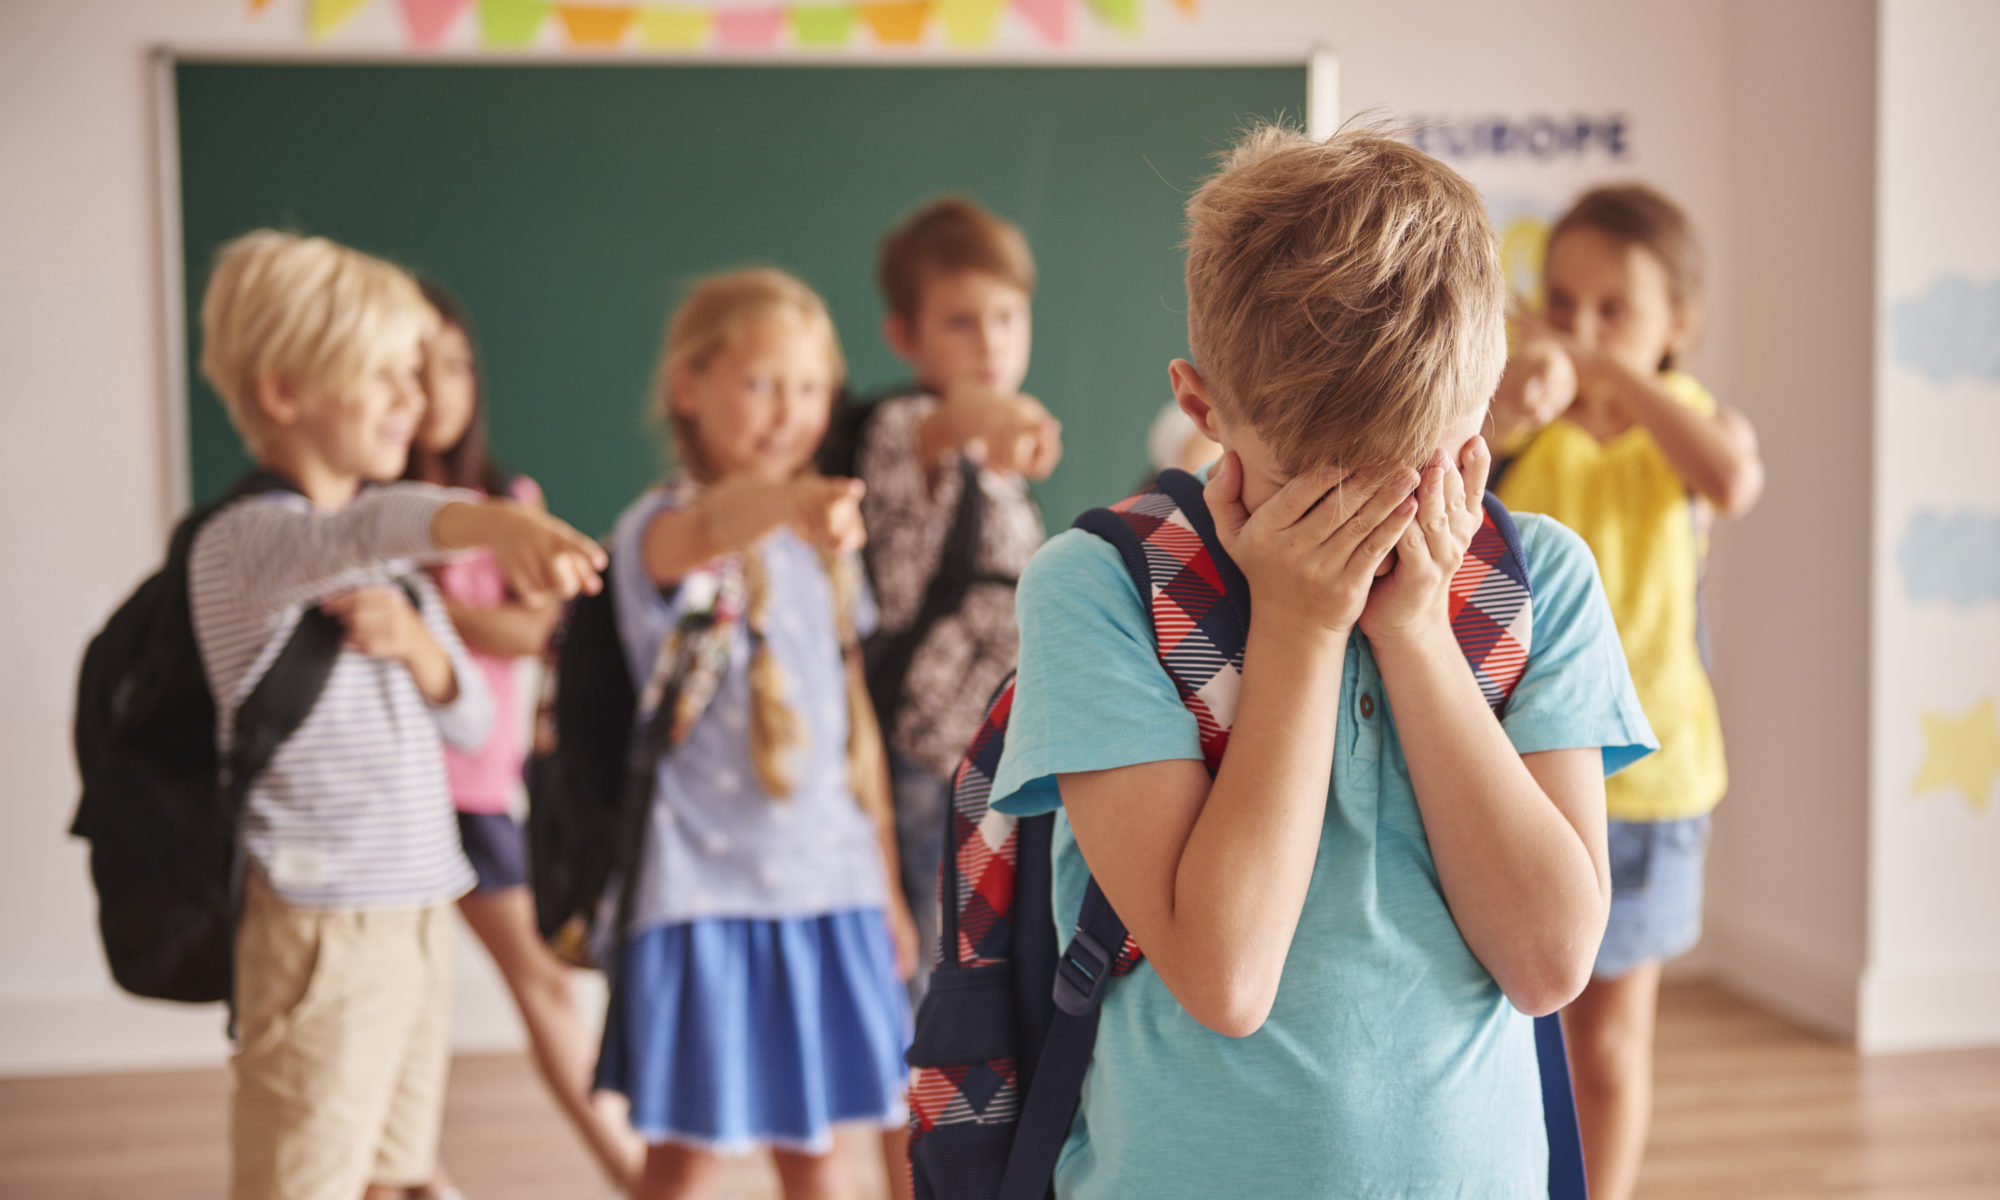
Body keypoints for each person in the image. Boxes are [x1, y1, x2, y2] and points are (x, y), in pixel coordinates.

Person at [981, 125, 1658, 1197]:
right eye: (1316, 485)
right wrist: (1295, 633)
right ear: (1203, 409)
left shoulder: (1543, 584)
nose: (1371, 523)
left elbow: (1546, 964)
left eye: (1410, 475)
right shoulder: (1095, 590)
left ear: (1479, 410)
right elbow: (1226, 975)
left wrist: (1416, 632)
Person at [190, 229, 604, 1200]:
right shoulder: (249, 543)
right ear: (286, 392)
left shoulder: (388, 574)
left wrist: (425, 650)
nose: (413, 400)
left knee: (398, 1171)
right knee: (305, 1176)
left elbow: (469, 729)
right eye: (383, 376)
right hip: (322, 928)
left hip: (413, 910)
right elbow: (367, 523)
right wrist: (491, 520)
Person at [595, 268, 917, 1200]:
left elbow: (854, 735)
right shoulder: (661, 528)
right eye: (762, 383)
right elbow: (708, 528)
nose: (790, 411)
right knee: (682, 1155)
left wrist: (886, 889)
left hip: (830, 887)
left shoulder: (817, 546)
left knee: (816, 1149)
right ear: (688, 388)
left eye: (811, 387)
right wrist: (791, 505)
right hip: (706, 893)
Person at [1491, 183, 1764, 1200]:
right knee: (1518, 1031)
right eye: (1562, 303)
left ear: (1677, 326)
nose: (1582, 328)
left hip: (1649, 780)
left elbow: (1731, 483)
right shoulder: (1518, 423)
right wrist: (1517, 391)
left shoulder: (1691, 424)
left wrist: (1615, 374)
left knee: (1607, 1044)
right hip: (1516, 772)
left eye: (1616, 309)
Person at [403, 279, 645, 1195]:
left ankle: (629, 1171)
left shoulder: (508, 498)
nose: (440, 385)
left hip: (479, 784)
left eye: (457, 363)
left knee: (543, 982)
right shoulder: (368, 512)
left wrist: (428, 618)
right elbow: (516, 624)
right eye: (418, 367)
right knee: (409, 995)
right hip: (401, 790)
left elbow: (539, 624)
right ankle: (414, 1169)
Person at [851, 196, 1060, 1012]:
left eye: (1008, 317)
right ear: (905, 336)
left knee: (985, 988)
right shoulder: (907, 426)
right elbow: (950, 421)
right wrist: (1004, 414)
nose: (992, 342)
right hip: (931, 759)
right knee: (938, 1001)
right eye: (961, 323)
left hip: (997, 759)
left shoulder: (997, 466)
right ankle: (922, 1144)